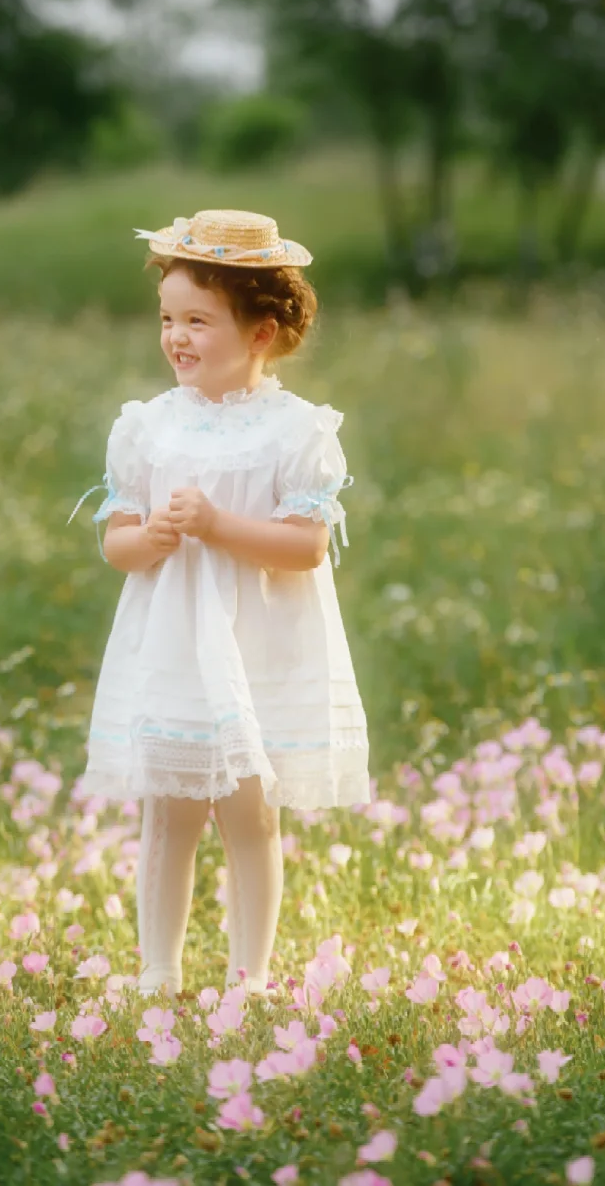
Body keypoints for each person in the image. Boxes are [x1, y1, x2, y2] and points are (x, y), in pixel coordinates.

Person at [70, 208, 370, 1000]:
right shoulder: (147, 428)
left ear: (262, 332)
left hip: (258, 642)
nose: (178, 337)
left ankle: (249, 977)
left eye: (199, 320)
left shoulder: (297, 431)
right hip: (173, 640)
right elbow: (119, 545)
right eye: (168, 319)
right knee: (169, 814)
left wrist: (217, 523)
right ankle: (158, 971)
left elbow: (305, 546)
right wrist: (161, 533)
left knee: (250, 814)